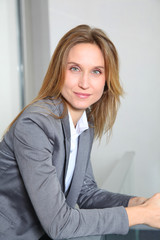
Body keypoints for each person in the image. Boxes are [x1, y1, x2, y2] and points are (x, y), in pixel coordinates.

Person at [0, 24, 160, 240]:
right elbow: (60, 223)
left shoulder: (84, 123)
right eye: (74, 68)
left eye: (96, 71)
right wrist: (141, 215)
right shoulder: (35, 124)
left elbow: (86, 192)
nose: (84, 83)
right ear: (59, 71)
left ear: (106, 81)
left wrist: (137, 203)